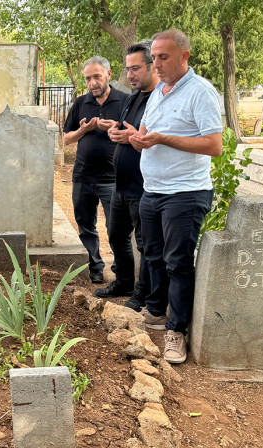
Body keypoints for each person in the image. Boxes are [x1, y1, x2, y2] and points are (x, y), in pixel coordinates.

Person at [128, 29, 222, 364]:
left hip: (185, 193)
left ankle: (176, 331)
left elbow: (214, 145)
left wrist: (163, 139)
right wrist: (133, 138)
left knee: (178, 263)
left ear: (184, 56)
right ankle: (155, 312)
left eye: (162, 57)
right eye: (153, 57)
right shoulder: (160, 93)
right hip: (152, 190)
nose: (156, 64)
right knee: (152, 255)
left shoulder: (200, 92)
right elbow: (148, 133)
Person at [94, 41, 158, 311]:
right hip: (121, 184)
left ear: (152, 66)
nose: (129, 75)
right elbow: (129, 131)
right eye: (127, 69)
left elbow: (152, 139)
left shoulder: (159, 99)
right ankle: (124, 282)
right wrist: (115, 130)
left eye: (135, 69)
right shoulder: (134, 97)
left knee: (145, 244)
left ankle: (142, 294)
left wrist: (133, 136)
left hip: (143, 187)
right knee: (116, 235)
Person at [63, 56, 128, 284]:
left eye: (97, 77)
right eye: (88, 78)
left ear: (109, 75)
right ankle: (95, 266)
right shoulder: (81, 103)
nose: (92, 83)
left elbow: (138, 132)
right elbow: (66, 138)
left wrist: (116, 127)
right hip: (83, 176)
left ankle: (122, 271)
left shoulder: (125, 101)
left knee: (116, 228)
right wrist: (83, 130)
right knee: (85, 225)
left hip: (113, 178)